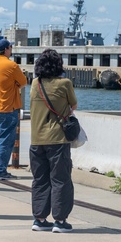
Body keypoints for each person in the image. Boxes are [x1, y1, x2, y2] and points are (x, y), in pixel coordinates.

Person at [28, 49, 77, 232]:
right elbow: (74, 105)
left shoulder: (35, 83)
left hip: (36, 139)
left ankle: (39, 219)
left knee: (40, 180)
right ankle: (60, 220)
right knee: (60, 179)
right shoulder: (65, 83)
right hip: (57, 139)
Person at [0, 38, 26, 180]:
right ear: (6, 49)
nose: (11, 49)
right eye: (10, 47)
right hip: (8, 107)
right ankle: (0, 170)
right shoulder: (11, 65)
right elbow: (23, 82)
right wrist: (14, 86)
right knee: (6, 140)